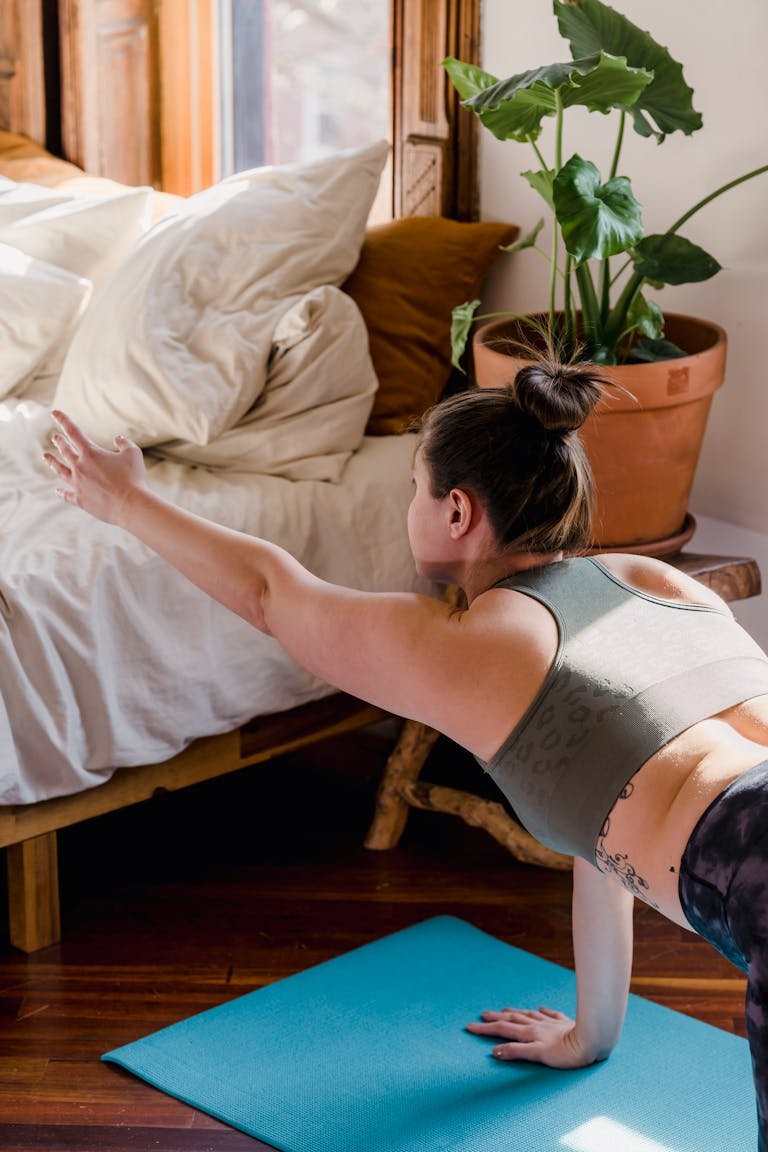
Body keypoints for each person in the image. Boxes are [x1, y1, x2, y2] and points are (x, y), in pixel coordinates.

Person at [45, 361, 768, 1149]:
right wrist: (591, 1036)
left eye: (414, 486)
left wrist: (123, 500)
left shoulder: (471, 644)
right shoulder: (655, 581)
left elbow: (267, 592)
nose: (409, 507)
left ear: (457, 510)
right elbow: (606, 832)